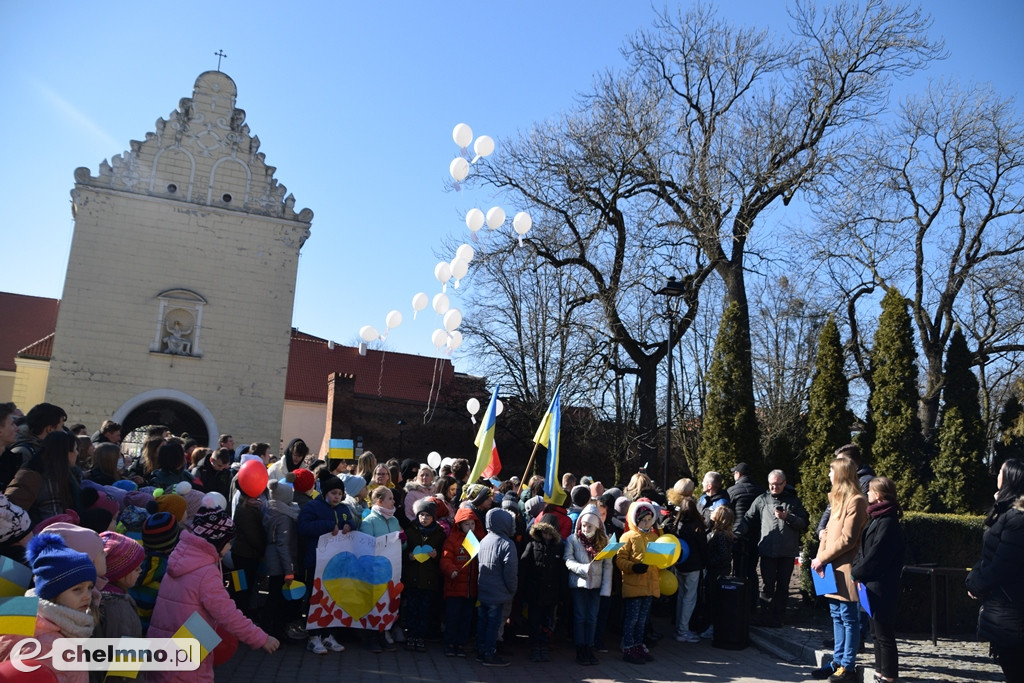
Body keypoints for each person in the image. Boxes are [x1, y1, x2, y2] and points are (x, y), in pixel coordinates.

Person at [147, 506, 279, 682]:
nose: (230, 546)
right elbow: (228, 614)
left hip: (164, 645)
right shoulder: (206, 572)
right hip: (187, 653)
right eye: (228, 541)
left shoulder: (180, 558)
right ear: (217, 541)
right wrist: (261, 638)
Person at [0, 533, 96, 682]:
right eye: (77, 589)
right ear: (52, 592)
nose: (87, 596)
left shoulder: (19, 612)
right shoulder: (48, 646)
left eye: (90, 587)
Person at [810, 457, 868, 682]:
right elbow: (828, 533)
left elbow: (848, 539)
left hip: (845, 567)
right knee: (836, 615)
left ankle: (848, 665)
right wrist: (819, 557)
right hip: (829, 567)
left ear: (842, 474)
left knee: (848, 617)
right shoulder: (837, 500)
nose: (828, 475)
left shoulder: (856, 500)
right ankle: (837, 661)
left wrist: (822, 557)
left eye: (831, 471)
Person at [967, 457, 1024, 682]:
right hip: (1002, 605)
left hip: (1011, 606)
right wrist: (974, 577)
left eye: (1001, 471)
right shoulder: (1006, 513)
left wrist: (977, 584)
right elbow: (988, 556)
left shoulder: (1017, 519)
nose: (997, 476)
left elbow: (1004, 564)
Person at [296, 474, 358, 655]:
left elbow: (351, 521)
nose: (337, 496)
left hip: (336, 564)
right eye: (333, 493)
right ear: (324, 493)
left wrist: (349, 525)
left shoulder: (344, 509)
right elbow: (303, 527)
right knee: (316, 598)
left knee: (333, 598)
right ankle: (313, 636)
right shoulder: (313, 507)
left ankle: (328, 634)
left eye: (340, 493)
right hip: (316, 561)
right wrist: (328, 525)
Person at [852, 476, 905, 683]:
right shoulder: (876, 518)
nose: (867, 494)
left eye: (870, 491)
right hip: (869, 584)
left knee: (884, 633)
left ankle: (889, 676)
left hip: (882, 585)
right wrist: (857, 569)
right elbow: (863, 551)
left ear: (879, 495)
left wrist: (857, 572)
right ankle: (879, 671)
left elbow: (877, 555)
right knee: (875, 632)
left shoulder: (889, 522)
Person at [743, 469, 809, 626]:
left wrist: (788, 517)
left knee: (783, 586)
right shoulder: (762, 500)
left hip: (787, 551)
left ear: (784, 483)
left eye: (778, 484)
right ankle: (766, 616)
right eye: (771, 484)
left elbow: (803, 523)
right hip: (767, 551)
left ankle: (779, 617)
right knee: (767, 585)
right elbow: (748, 518)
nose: (774, 488)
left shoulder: (793, 501)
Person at [565, 504, 612, 665]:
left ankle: (589, 647)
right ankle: (580, 649)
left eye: (589, 526)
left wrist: (606, 589)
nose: (585, 529)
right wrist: (583, 568)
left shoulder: (604, 541)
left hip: (596, 586)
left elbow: (608, 566)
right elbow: (568, 559)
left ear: (597, 526)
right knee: (580, 617)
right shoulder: (573, 539)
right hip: (579, 584)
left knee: (592, 617)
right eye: (583, 525)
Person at [615, 500, 660, 664]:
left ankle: (638, 646)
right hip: (634, 585)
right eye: (643, 520)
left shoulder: (654, 536)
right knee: (632, 619)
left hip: (649, 586)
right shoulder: (627, 536)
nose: (647, 523)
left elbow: (659, 560)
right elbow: (619, 560)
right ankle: (628, 647)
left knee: (642, 620)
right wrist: (633, 567)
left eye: (649, 519)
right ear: (636, 520)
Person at [96, 531, 145, 681]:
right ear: (119, 572)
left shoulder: (97, 595)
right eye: (136, 568)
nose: (141, 571)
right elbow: (126, 668)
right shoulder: (119, 606)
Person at [5, 429, 82, 525]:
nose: (77, 453)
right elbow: (54, 521)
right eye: (75, 449)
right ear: (65, 453)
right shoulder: (50, 479)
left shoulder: (61, 474)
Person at [520, 512, 566, 662]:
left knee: (547, 622)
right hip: (535, 592)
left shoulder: (559, 548)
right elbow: (524, 568)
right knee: (534, 621)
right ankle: (534, 646)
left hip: (551, 593)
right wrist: (524, 589)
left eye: (549, 533)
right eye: (544, 533)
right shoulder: (532, 545)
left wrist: (561, 594)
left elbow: (561, 573)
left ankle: (543, 645)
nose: (546, 536)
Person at [402, 498, 445, 653]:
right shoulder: (410, 531)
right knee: (412, 609)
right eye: (422, 515)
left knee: (424, 611)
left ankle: (420, 637)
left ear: (433, 517)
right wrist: (409, 556)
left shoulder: (439, 534)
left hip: (429, 580)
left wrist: (436, 555)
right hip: (412, 579)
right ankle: (411, 636)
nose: (424, 518)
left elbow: (444, 556)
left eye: (428, 515)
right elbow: (402, 551)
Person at [476, 507, 517, 667]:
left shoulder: (484, 540)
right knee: (494, 624)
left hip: (483, 589)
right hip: (499, 592)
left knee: (483, 622)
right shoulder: (507, 544)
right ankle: (490, 653)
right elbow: (511, 571)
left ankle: (481, 651)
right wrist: (512, 589)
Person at [665, 496, 706, 643]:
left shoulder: (678, 524)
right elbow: (702, 547)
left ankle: (679, 628)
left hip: (680, 564)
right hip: (693, 566)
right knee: (689, 598)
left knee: (681, 596)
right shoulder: (697, 526)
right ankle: (683, 630)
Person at [263, 479, 299, 642]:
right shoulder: (284, 517)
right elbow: (283, 545)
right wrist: (289, 570)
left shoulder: (270, 510)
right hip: (279, 563)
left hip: (271, 559)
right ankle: (276, 632)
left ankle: (269, 628)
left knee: (273, 595)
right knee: (277, 599)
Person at [441, 505, 478, 658]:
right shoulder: (452, 540)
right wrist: (451, 570)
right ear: (459, 525)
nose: (470, 527)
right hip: (455, 587)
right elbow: (445, 558)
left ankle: (461, 644)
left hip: (471, 589)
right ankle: (450, 644)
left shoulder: (476, 539)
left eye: (472, 523)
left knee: (466, 618)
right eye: (466, 524)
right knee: (453, 617)